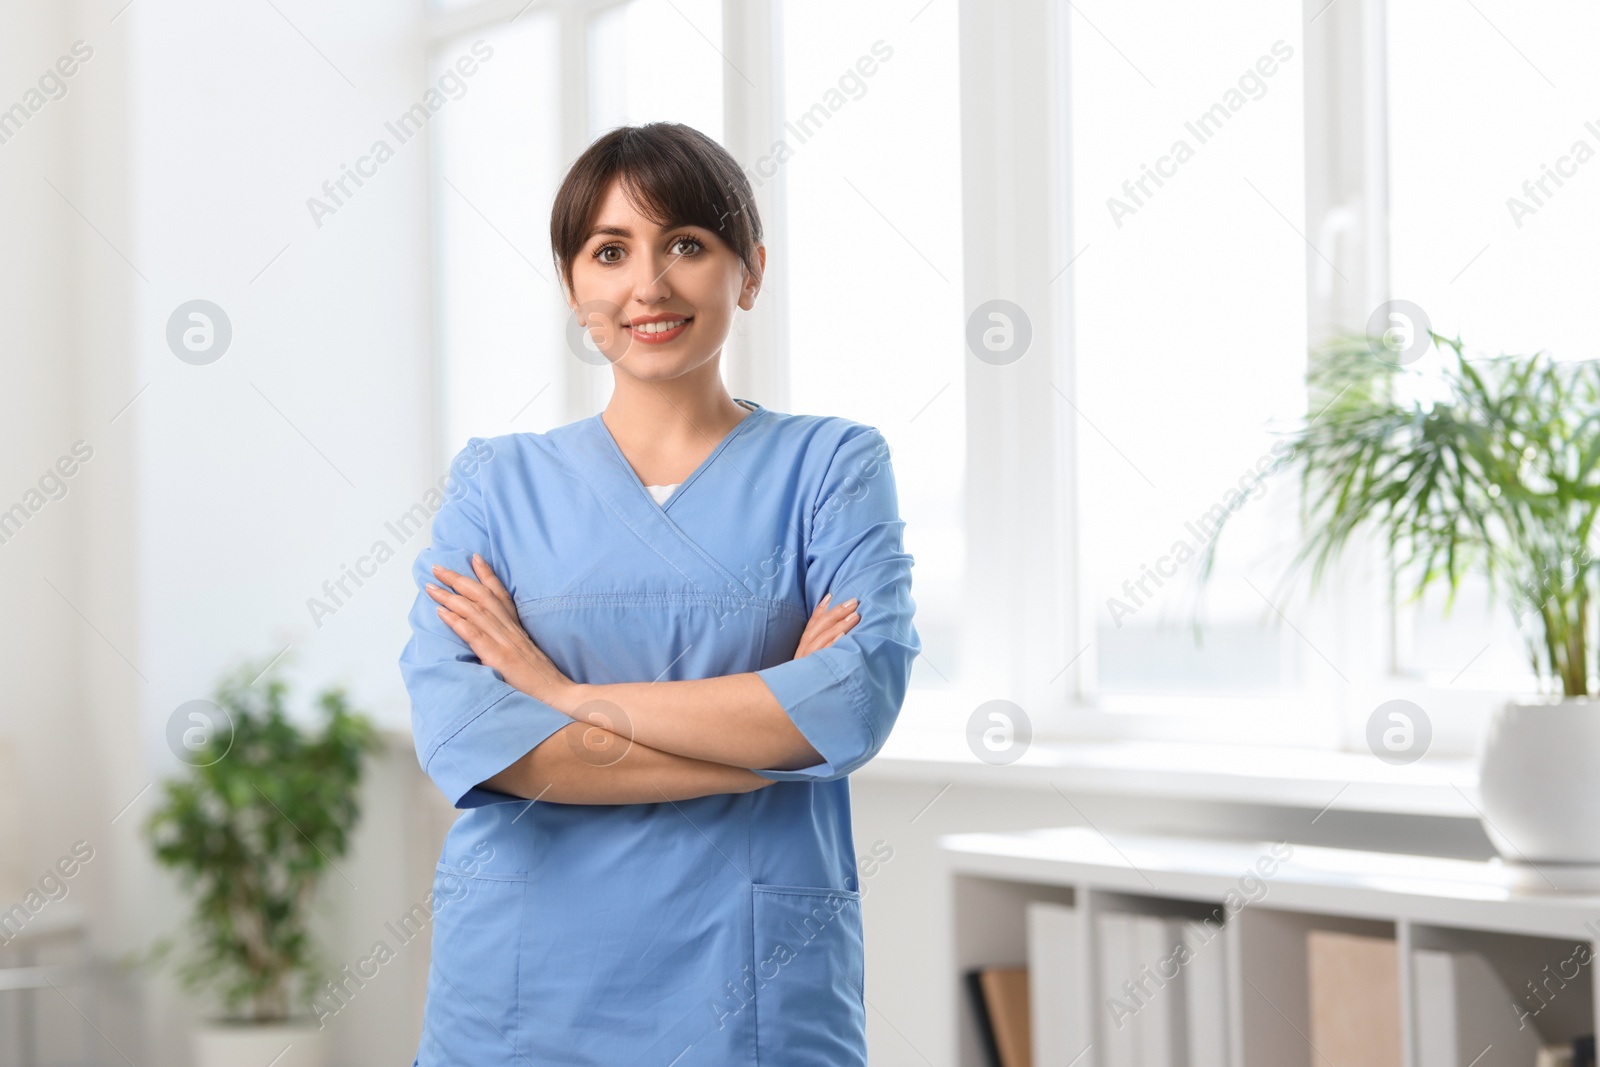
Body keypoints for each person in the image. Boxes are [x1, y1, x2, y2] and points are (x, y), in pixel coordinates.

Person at [398, 121, 920, 1065]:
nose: (649, 284)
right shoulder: (494, 483)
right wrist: (765, 745)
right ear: (573, 286)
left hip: (754, 976)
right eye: (609, 251)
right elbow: (472, 739)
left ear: (749, 271)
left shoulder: (833, 465)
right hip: (523, 986)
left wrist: (560, 698)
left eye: (687, 243)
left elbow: (850, 701)